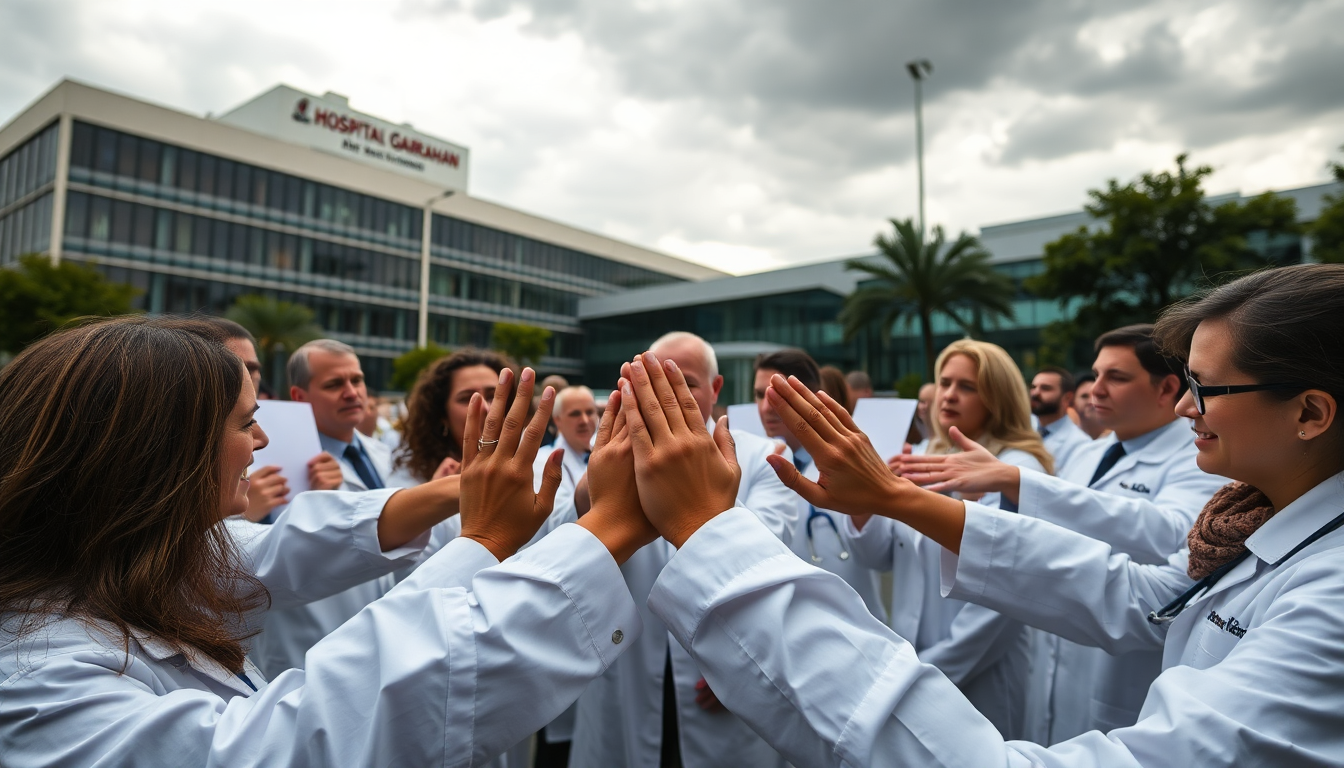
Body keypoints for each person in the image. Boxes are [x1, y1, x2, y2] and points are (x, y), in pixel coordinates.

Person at [630, 262, 1344, 767]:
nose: (1186, 406)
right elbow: (1140, 595)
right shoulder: (1257, 528)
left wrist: (709, 535)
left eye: (1207, 387)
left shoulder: (1330, 599)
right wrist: (895, 498)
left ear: (1310, 413)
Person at [0, 316, 656, 767]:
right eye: (243, 424)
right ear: (157, 455)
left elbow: (292, 544)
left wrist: (465, 501)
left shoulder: (111, 564)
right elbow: (301, 740)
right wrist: (606, 529)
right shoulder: (38, 680)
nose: (260, 443)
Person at [904, 325, 1230, 742]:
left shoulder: (1197, 458)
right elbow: (1041, 540)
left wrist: (1018, 483)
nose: (1096, 389)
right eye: (1095, 375)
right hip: (1056, 665)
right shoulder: (1088, 452)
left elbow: (1172, 531)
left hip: (1123, 675)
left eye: (1117, 377)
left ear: (1167, 388)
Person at [566, 331, 798, 768]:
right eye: (654, 379)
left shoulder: (764, 458)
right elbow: (575, 546)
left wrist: (740, 663)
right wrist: (591, 489)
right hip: (628, 668)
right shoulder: (612, 457)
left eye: (686, 381)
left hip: (726, 675)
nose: (669, 391)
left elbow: (767, 556)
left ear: (715, 389)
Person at [848, 339, 1051, 738]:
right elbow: (878, 556)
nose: (950, 395)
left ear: (997, 397)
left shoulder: (1016, 469)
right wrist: (864, 501)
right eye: (945, 382)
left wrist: (929, 672)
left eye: (968, 386)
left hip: (977, 674)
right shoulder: (920, 456)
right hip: (910, 659)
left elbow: (1008, 594)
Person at [248, 339, 409, 678]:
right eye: (334, 384)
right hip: (309, 646)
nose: (352, 393)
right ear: (299, 397)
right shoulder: (265, 465)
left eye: (357, 380)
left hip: (387, 638)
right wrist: (319, 505)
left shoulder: (382, 454)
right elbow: (254, 555)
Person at [755, 351, 885, 620]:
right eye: (759, 395)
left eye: (778, 394)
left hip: (855, 626)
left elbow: (879, 554)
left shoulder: (850, 464)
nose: (766, 407)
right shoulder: (747, 467)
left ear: (809, 396)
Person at [393, 348, 513, 484]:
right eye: (467, 398)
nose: (485, 407)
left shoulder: (534, 464)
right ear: (442, 415)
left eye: (494, 396)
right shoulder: (410, 476)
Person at [1031, 365, 1093, 474]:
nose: (1035, 393)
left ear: (1067, 398)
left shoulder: (1080, 444)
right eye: (1033, 387)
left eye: (1045, 388)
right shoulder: (1022, 426)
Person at [1074, 370, 1110, 439]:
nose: (1091, 401)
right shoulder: (1066, 442)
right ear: (1072, 403)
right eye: (1084, 396)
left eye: (1096, 395)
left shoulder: (1122, 438)